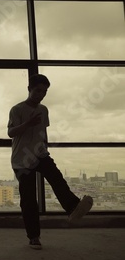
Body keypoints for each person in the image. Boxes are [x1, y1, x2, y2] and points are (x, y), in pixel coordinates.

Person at [8, 74, 93, 250]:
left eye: (45, 92)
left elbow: (42, 132)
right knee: (29, 199)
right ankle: (34, 237)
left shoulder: (44, 110)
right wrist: (28, 123)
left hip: (40, 154)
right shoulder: (16, 110)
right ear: (29, 89)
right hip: (21, 160)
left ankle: (72, 208)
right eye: (38, 90)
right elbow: (11, 132)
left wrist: (45, 148)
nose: (41, 94)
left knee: (57, 178)